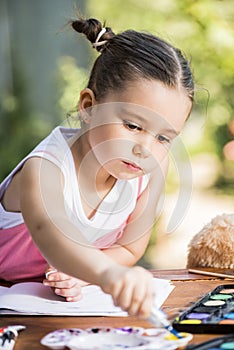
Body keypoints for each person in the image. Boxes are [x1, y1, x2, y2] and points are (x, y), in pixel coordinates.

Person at [0, 17, 194, 318]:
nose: (145, 149)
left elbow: (130, 250)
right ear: (89, 107)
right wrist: (107, 274)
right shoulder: (45, 170)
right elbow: (55, 241)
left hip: (42, 315)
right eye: (132, 124)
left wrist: (81, 274)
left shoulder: (153, 169)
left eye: (163, 137)